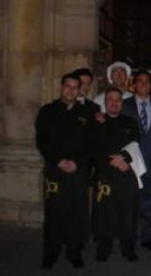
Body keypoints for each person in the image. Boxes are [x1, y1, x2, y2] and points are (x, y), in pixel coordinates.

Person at [35, 72, 92, 269]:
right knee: (53, 214)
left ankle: (74, 253)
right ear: (61, 87)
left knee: (76, 214)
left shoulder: (86, 114)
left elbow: (89, 145)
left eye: (75, 87)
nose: (71, 90)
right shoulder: (46, 111)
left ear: (79, 91)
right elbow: (42, 141)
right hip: (55, 171)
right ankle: (50, 254)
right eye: (68, 86)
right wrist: (58, 161)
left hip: (78, 172)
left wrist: (76, 162)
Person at [89, 87, 147, 263]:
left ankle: (128, 248)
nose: (114, 102)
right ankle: (103, 248)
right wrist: (111, 161)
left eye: (117, 100)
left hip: (125, 172)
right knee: (104, 213)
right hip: (104, 174)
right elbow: (92, 148)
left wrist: (124, 159)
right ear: (105, 102)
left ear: (121, 103)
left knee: (128, 212)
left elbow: (136, 144)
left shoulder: (130, 122)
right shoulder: (96, 122)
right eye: (110, 99)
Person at [122, 70, 151, 251]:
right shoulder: (124, 105)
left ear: (150, 85)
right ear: (134, 85)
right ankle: (128, 237)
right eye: (140, 81)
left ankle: (147, 237)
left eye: (147, 81)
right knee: (130, 201)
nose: (144, 84)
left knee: (148, 201)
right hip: (131, 161)